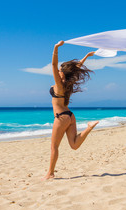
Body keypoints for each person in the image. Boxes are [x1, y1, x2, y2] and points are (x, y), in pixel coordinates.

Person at [43, 40, 99, 180]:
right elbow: (76, 67)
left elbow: (53, 64)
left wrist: (55, 48)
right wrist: (86, 56)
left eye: (60, 70)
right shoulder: (68, 84)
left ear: (62, 73)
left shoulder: (60, 84)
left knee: (54, 147)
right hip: (70, 115)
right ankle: (89, 128)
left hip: (61, 117)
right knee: (73, 145)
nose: (58, 71)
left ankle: (50, 173)